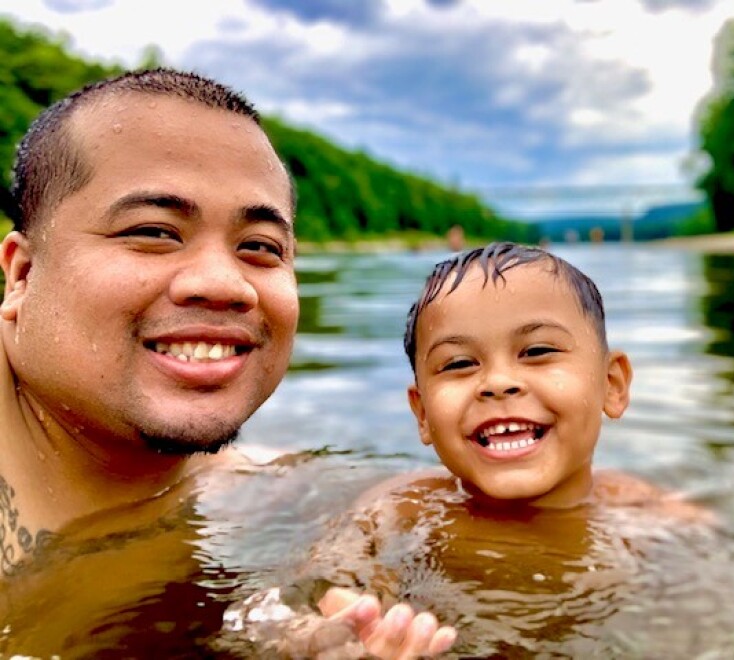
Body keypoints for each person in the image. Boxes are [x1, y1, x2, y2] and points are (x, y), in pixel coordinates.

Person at [0, 67, 454, 658]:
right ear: (22, 275)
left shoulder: (232, 480)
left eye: (260, 248)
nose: (225, 283)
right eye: (154, 231)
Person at [294, 242, 714, 655]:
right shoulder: (400, 509)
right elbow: (311, 599)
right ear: (421, 414)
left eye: (537, 351)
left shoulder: (651, 515)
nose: (498, 382)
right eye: (459, 363)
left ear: (612, 384)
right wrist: (335, 634)